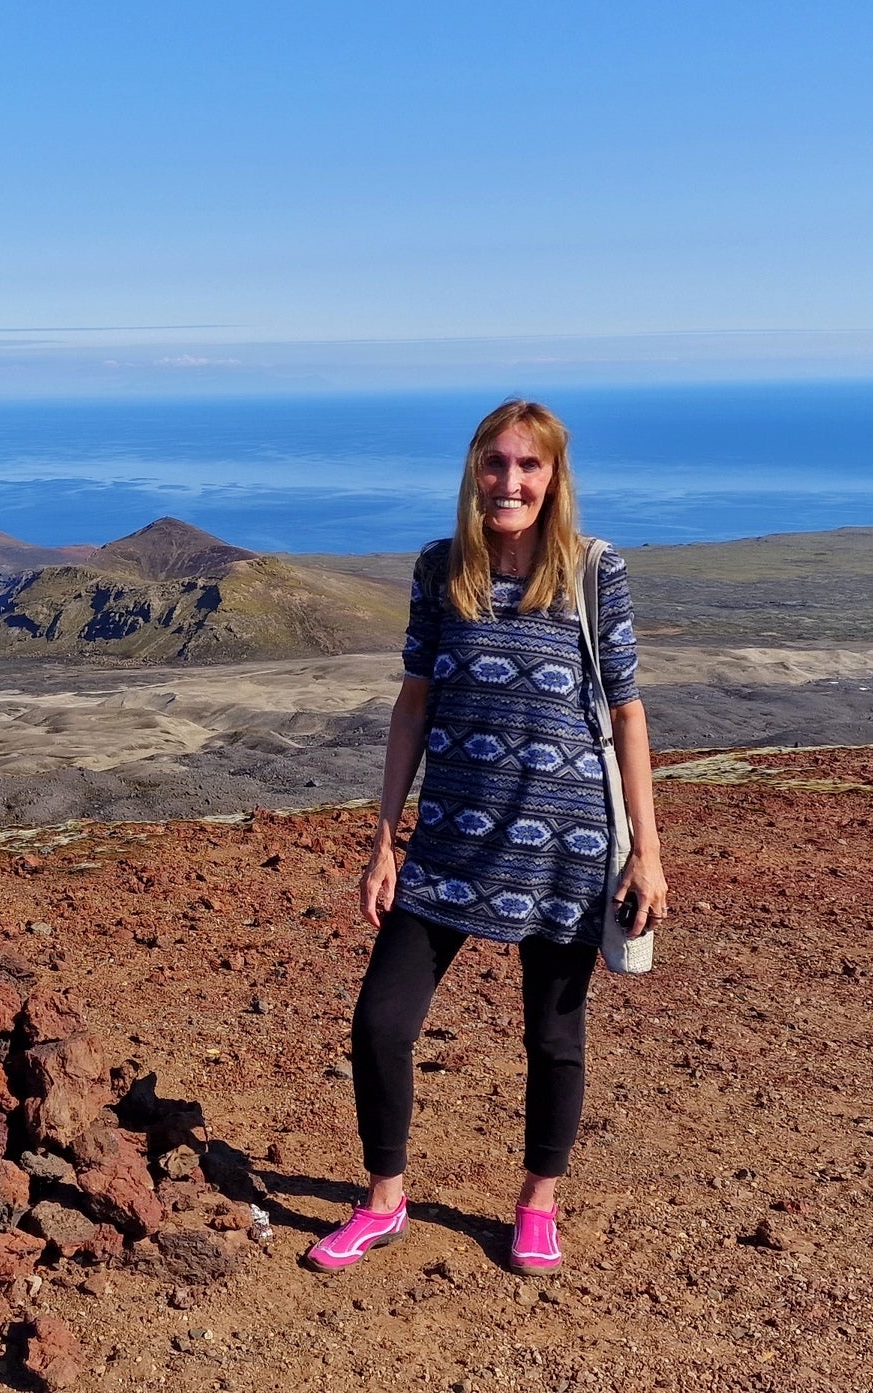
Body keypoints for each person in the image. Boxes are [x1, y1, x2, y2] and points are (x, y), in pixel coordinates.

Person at [306, 398, 665, 1276]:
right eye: (496, 463)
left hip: (564, 846)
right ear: (475, 470)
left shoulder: (590, 569)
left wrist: (648, 854)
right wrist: (384, 839)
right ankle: (384, 1199)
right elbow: (412, 704)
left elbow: (625, 708)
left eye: (529, 466)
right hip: (450, 844)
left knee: (553, 1037)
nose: (511, 481)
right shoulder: (441, 569)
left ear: (554, 478)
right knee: (381, 1022)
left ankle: (538, 1202)